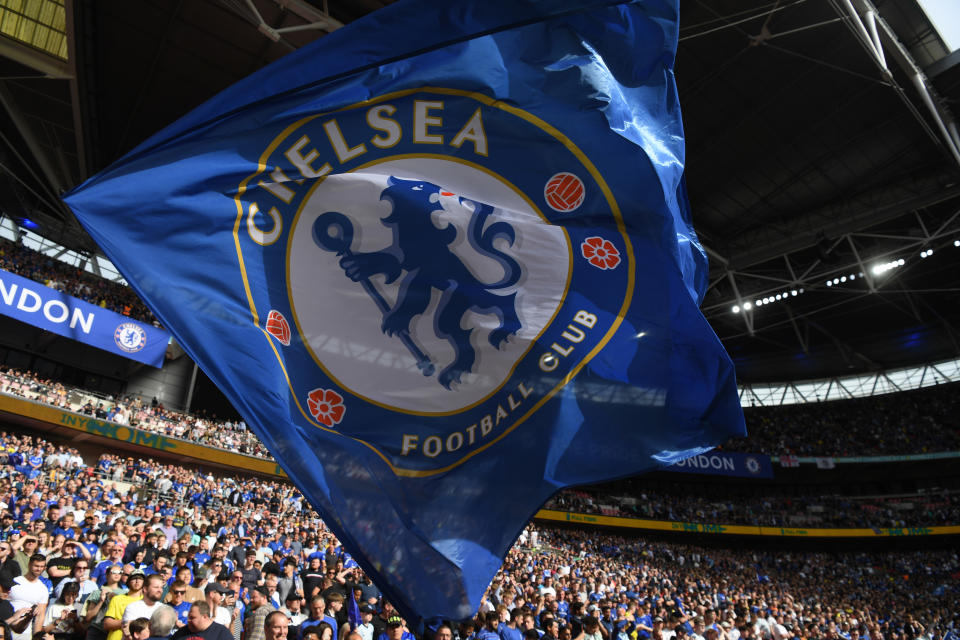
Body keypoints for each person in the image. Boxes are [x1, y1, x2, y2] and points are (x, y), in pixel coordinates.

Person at [8, 554, 49, 640]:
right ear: (29, 564)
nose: (39, 569)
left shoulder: (43, 589)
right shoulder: (15, 581)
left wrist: (36, 636)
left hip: (25, 632)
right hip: (7, 627)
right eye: (36, 566)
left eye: (42, 566)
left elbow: (40, 616)